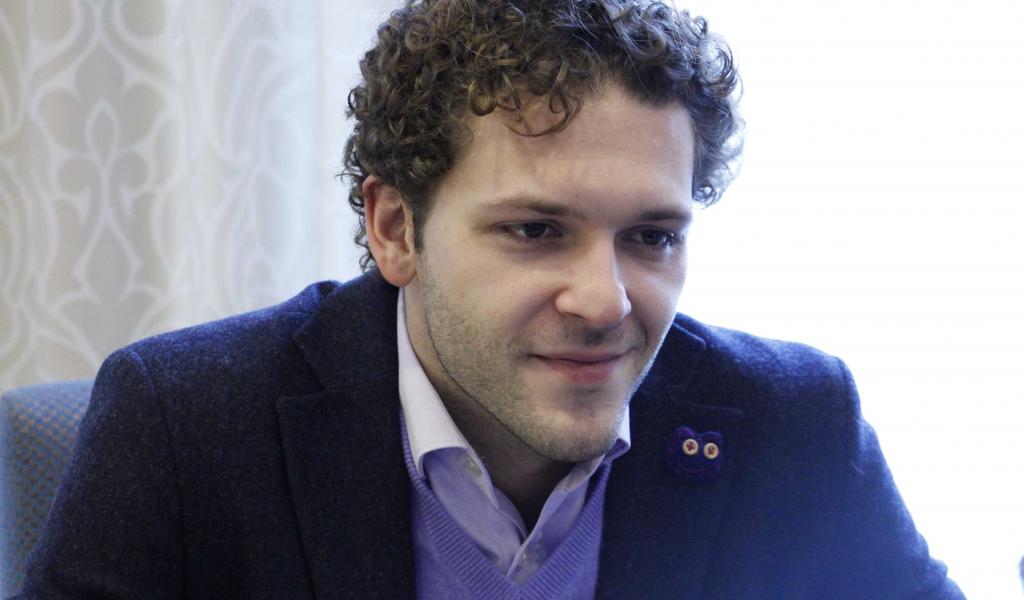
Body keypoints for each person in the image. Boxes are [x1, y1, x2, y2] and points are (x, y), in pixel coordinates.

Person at [17, 1, 964, 598]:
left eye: (651, 237)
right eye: (535, 230)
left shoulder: (793, 424)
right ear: (396, 229)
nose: (604, 302)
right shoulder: (185, 424)